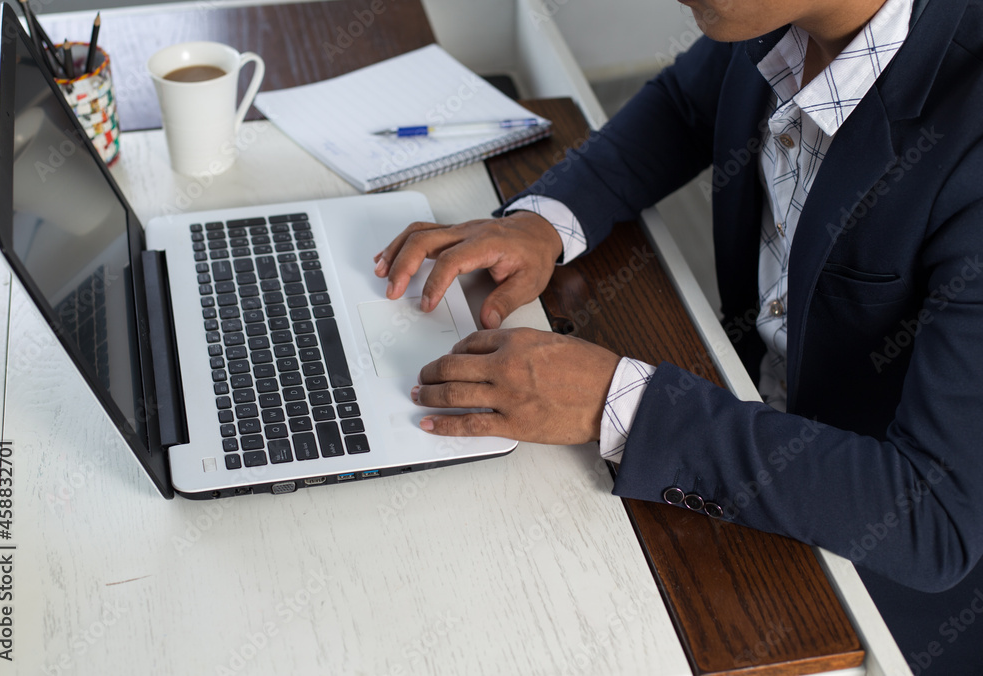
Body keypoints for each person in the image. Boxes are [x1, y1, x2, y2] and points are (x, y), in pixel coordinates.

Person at [375, 0, 983, 672]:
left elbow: (935, 518)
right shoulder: (771, 20)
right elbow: (683, 108)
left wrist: (616, 400)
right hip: (746, 442)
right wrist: (545, 222)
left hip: (878, 580)